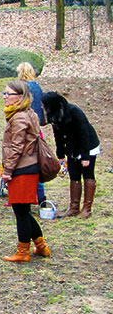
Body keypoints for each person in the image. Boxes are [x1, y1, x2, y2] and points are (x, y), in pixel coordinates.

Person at [0, 80, 50, 261]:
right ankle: (41, 246)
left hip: (22, 168)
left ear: (20, 97)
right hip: (28, 167)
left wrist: (8, 171)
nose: (5, 97)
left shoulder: (20, 116)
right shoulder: (28, 113)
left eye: (8, 94)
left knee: (20, 211)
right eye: (4, 93)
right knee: (23, 210)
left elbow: (17, 147)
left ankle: (23, 252)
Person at [42, 91, 100, 219]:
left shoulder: (74, 112)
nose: (42, 107)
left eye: (44, 105)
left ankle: (87, 209)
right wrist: (61, 154)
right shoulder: (54, 116)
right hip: (73, 147)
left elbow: (84, 133)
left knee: (87, 174)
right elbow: (58, 136)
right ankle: (74, 207)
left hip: (88, 146)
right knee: (74, 175)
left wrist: (85, 156)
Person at [18, 62, 46, 203]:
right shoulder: (37, 87)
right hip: (37, 128)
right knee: (37, 161)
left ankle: (25, 196)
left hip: (24, 128)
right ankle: (40, 196)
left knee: (24, 162)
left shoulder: (21, 87)